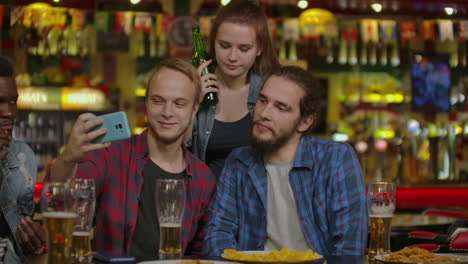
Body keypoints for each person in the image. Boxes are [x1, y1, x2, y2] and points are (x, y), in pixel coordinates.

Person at [47, 58, 216, 261]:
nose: (167, 112)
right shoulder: (111, 154)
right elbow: (58, 201)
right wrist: (68, 158)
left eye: (179, 103)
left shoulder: (203, 179)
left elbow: (199, 254)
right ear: (146, 103)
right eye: (158, 101)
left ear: (194, 109)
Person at [204, 66, 368, 257]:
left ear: (304, 122)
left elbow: (349, 249)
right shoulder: (239, 162)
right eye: (262, 100)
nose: (264, 113)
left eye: (281, 108)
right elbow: (217, 235)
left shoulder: (336, 159)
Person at [191, 0, 280, 178]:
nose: (232, 56)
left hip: (252, 201)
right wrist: (191, 101)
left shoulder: (271, 92)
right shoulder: (191, 83)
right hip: (201, 199)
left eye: (244, 49)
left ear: (259, 49)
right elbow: (172, 151)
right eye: (224, 46)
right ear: (213, 43)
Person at [0, 56, 45, 263]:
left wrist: (33, 244)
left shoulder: (21, 157)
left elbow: (22, 251)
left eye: (12, 101)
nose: (9, 112)